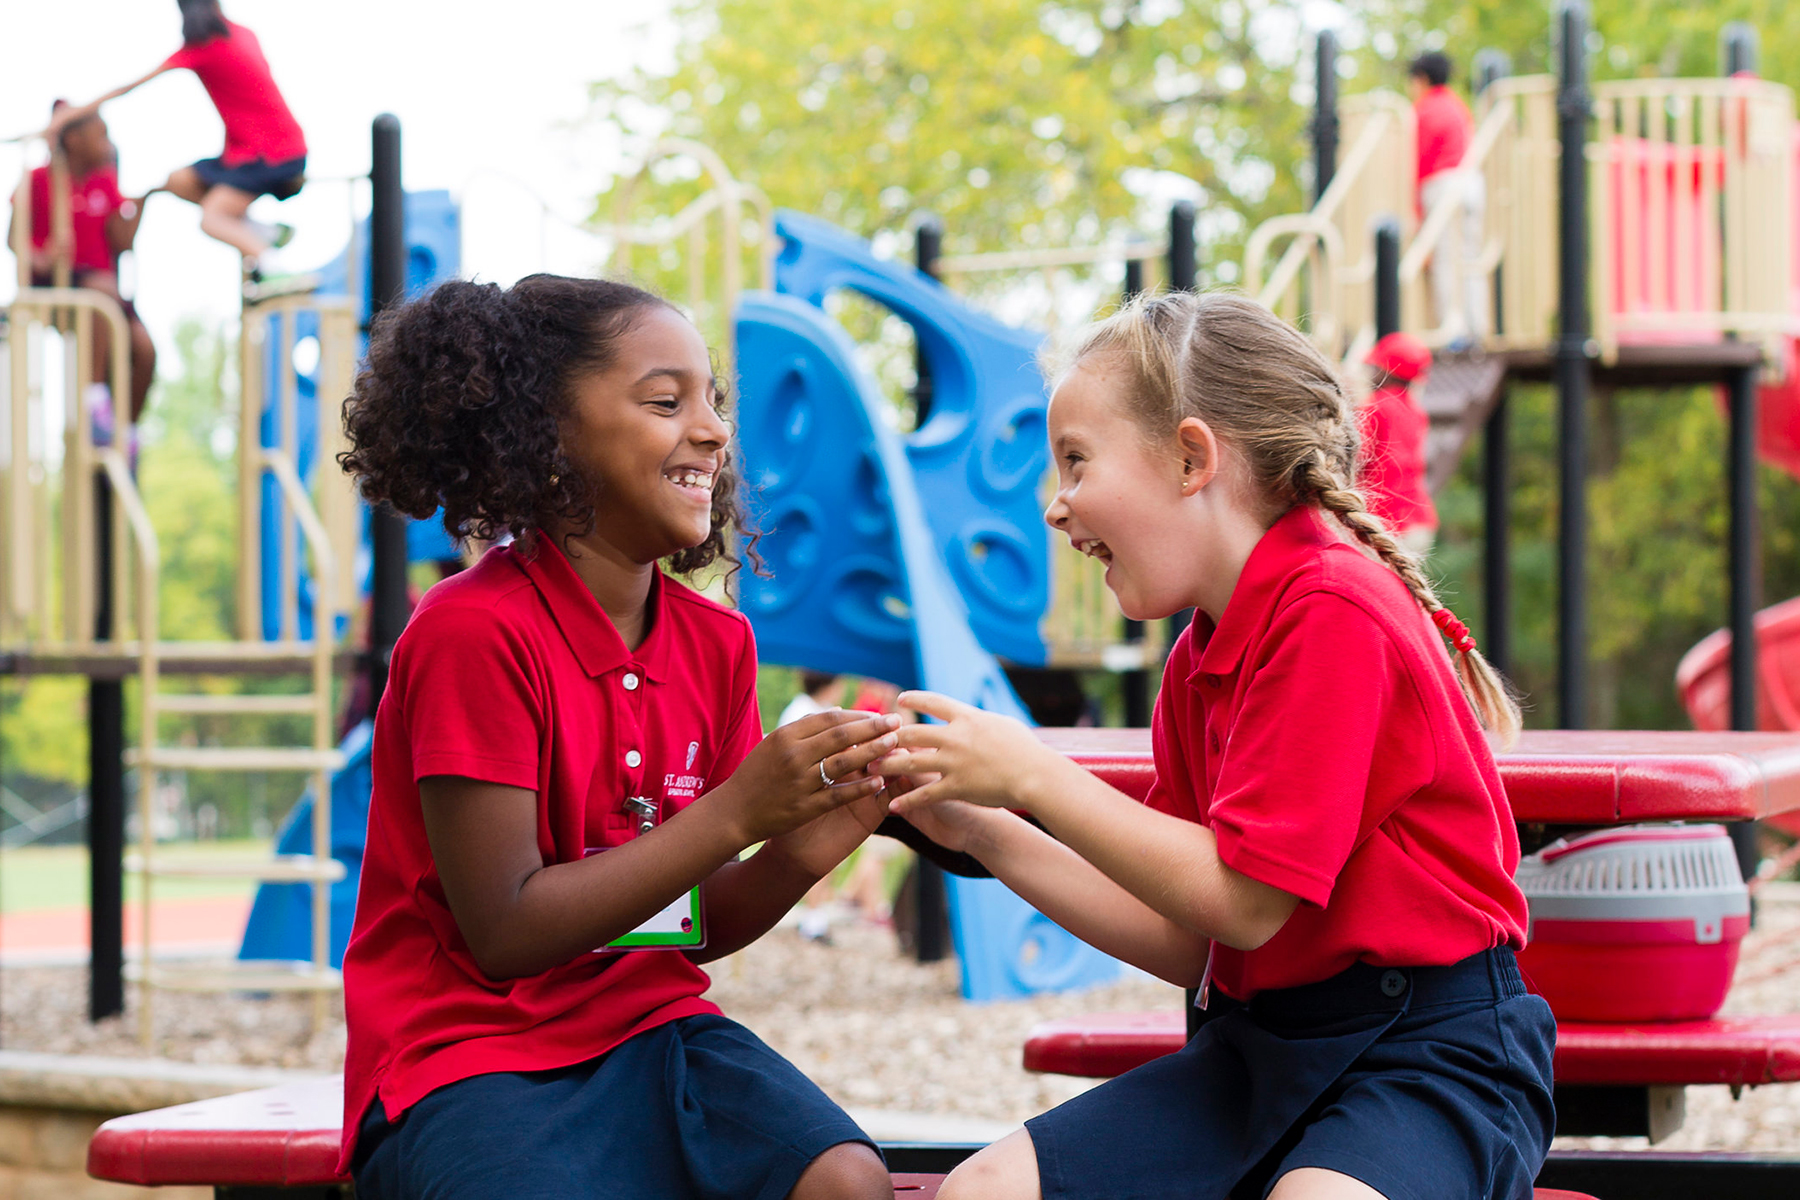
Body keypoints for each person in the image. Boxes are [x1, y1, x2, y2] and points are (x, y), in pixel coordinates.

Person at [875, 292, 1554, 1200]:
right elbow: (1192, 940)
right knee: (981, 1190)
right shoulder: (1202, 650)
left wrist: (1032, 773)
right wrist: (984, 831)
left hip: (1428, 1060)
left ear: (1193, 457)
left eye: (1075, 462)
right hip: (1255, 1049)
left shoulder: (1330, 611)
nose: (1057, 506)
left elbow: (1245, 901)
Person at [335, 274, 897, 1200]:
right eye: (666, 401)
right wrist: (734, 813)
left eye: (713, 400)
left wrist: (799, 853)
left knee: (845, 1178)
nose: (713, 430)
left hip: (649, 1031)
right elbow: (507, 931)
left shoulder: (719, 645)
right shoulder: (472, 632)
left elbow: (681, 927)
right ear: (549, 437)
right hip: (470, 1055)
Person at [49, 1, 306, 280]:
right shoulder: (242, 34)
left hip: (273, 156)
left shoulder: (203, 47)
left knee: (212, 220)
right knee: (177, 181)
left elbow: (128, 87)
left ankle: (275, 269)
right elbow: (246, 99)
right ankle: (264, 232)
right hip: (258, 151)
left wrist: (70, 115)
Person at [9, 102, 157, 424]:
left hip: (101, 286)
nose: (107, 143)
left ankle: (126, 432)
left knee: (144, 350)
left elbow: (122, 243)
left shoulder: (104, 180)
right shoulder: (37, 179)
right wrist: (43, 256)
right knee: (101, 293)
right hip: (56, 283)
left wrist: (143, 201)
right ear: (74, 139)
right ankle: (94, 398)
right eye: (100, 134)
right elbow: (13, 240)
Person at [1409, 50, 1487, 345]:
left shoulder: (1423, 111)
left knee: (1445, 259)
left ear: (1422, 79)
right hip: (1470, 184)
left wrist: (1415, 211)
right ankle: (1475, 326)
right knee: (1468, 255)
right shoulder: (1457, 106)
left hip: (1441, 186)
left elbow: (1419, 162)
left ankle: (1454, 331)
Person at [1357, 331, 1437, 557]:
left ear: (1385, 370)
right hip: (1419, 521)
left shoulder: (1376, 407)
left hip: (1387, 522)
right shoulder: (1415, 411)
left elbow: (1357, 455)